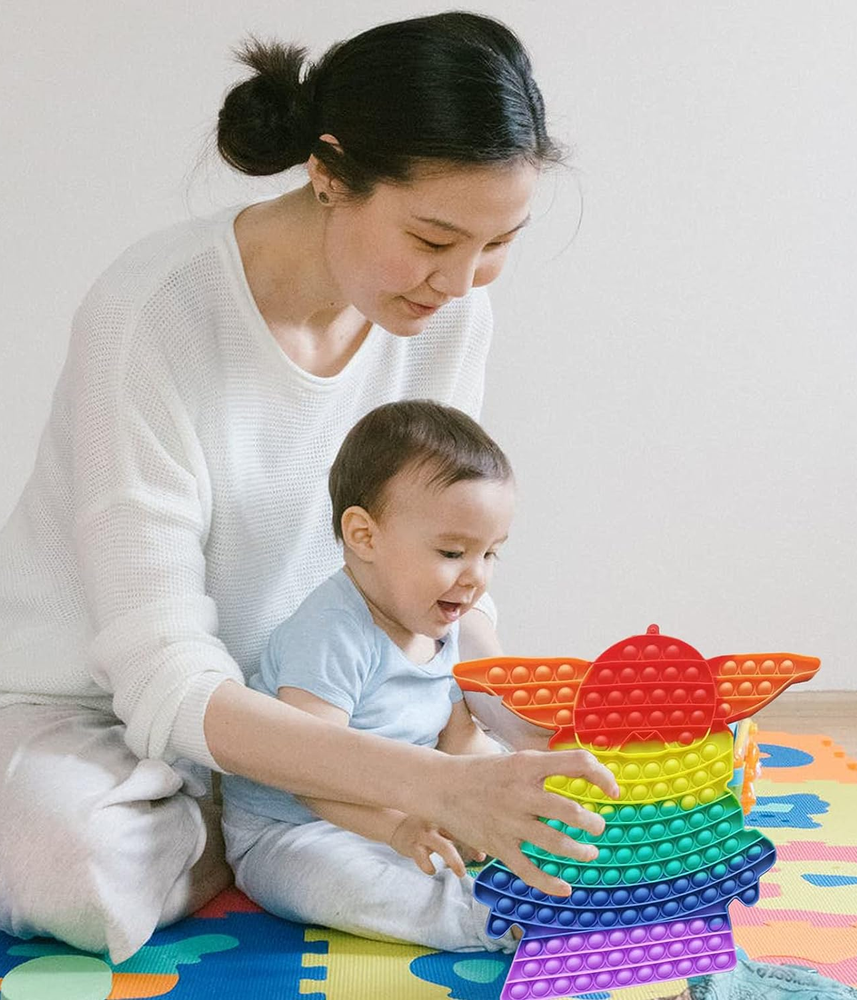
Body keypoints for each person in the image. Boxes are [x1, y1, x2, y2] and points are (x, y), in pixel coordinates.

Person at [0, 11, 617, 966]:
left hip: (319, 704)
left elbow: (450, 567)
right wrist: (433, 787)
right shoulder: (152, 313)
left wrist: (552, 729)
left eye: (497, 244)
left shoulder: (449, 318)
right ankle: (263, 821)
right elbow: (163, 673)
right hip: (72, 707)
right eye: (432, 237)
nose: (459, 282)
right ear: (329, 173)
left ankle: (283, 808)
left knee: (571, 811)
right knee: (70, 877)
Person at [224, 399, 596, 952]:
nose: (475, 578)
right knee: (369, 886)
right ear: (364, 536)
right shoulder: (330, 634)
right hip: (296, 829)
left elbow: (461, 739)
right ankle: (494, 924)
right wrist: (398, 827)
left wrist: (512, 795)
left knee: (520, 833)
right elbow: (309, 773)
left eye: (491, 554)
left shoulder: (442, 621)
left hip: (415, 812)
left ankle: (557, 889)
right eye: (452, 551)